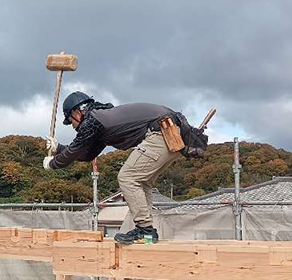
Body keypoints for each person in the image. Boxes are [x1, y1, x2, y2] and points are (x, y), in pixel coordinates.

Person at [43, 92, 186, 244]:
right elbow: (86, 154)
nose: (72, 126)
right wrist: (59, 148)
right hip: (172, 132)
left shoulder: (93, 121)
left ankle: (145, 230)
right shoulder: (102, 119)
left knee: (128, 177)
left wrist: (53, 164)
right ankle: (148, 235)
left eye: (71, 121)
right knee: (142, 182)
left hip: (162, 131)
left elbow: (76, 150)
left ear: (77, 112)